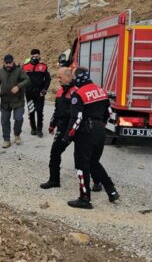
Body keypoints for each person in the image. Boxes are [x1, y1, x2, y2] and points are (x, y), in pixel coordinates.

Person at [63, 67, 119, 209]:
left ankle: (84, 198)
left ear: (79, 78)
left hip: (85, 132)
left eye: (75, 77)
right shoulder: (101, 90)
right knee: (94, 162)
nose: (73, 80)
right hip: (100, 131)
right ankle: (111, 191)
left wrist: (68, 136)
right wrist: (100, 126)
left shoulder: (78, 94)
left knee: (82, 166)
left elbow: (77, 119)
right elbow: (109, 113)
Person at [42, 68, 104, 191]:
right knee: (55, 153)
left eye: (60, 77)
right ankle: (54, 180)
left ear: (70, 76)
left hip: (79, 129)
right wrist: (52, 124)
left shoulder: (78, 91)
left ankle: (97, 181)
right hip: (62, 128)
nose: (58, 80)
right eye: (58, 77)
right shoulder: (60, 92)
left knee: (86, 158)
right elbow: (57, 110)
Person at [0, 55, 30, 148]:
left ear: (13, 62)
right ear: (4, 62)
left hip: (18, 100)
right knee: (4, 121)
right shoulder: (0, 72)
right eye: (6, 63)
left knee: (18, 118)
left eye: (10, 63)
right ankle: (6, 140)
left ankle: (17, 134)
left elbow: (27, 80)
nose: (8, 64)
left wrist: (18, 86)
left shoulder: (19, 70)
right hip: (5, 101)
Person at [22, 49, 51, 137]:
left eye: (37, 56)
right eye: (33, 56)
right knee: (31, 110)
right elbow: (21, 79)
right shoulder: (25, 67)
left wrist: (45, 90)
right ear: (30, 56)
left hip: (40, 93)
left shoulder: (43, 66)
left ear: (39, 56)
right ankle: (33, 129)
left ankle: (39, 129)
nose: (35, 58)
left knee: (39, 111)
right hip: (29, 93)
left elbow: (48, 79)